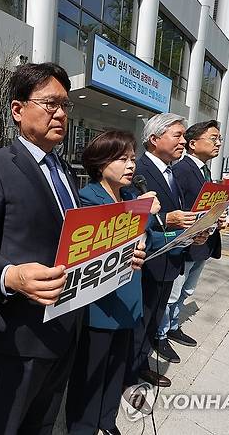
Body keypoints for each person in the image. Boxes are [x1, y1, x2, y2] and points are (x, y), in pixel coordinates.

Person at [0, 62, 82, 434]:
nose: (61, 114)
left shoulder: (66, 170)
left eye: (65, 105)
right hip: (19, 331)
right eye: (50, 104)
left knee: (43, 422)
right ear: (18, 109)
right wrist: (10, 276)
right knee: (8, 424)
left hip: (66, 323)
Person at [65, 130, 159, 435]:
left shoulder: (130, 197)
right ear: (100, 163)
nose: (131, 165)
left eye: (132, 158)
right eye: (121, 158)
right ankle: (82, 427)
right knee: (90, 371)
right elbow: (106, 242)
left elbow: (145, 240)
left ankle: (106, 420)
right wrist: (144, 214)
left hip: (129, 297)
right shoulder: (88, 199)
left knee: (117, 366)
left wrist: (181, 234)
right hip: (100, 304)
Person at [125, 113, 197, 388]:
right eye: (177, 135)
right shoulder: (137, 170)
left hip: (169, 259)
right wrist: (168, 219)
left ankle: (141, 364)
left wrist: (192, 230)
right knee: (140, 321)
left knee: (154, 319)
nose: (183, 141)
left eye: (184, 136)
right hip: (145, 262)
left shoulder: (172, 171)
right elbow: (130, 215)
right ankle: (129, 373)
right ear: (154, 139)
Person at [155, 120, 225, 357]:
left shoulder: (205, 171)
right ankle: (161, 334)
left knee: (187, 291)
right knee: (173, 293)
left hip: (203, 242)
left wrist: (217, 218)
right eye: (213, 138)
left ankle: (173, 326)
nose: (218, 143)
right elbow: (177, 207)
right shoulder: (181, 170)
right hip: (185, 244)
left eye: (219, 139)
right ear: (193, 144)